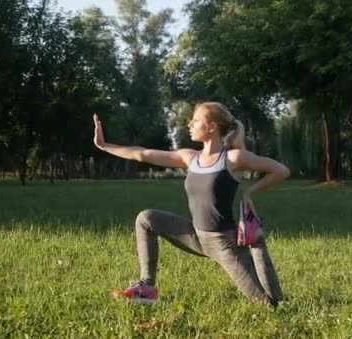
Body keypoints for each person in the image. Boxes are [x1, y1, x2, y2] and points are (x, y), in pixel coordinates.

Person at [93, 102, 290, 306]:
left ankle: (257, 242)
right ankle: (146, 288)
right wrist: (105, 146)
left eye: (195, 120)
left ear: (212, 126)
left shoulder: (233, 158)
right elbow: (143, 154)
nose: (190, 124)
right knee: (146, 219)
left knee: (270, 304)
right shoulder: (190, 157)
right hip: (195, 236)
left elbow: (281, 171)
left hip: (225, 245)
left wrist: (249, 192)